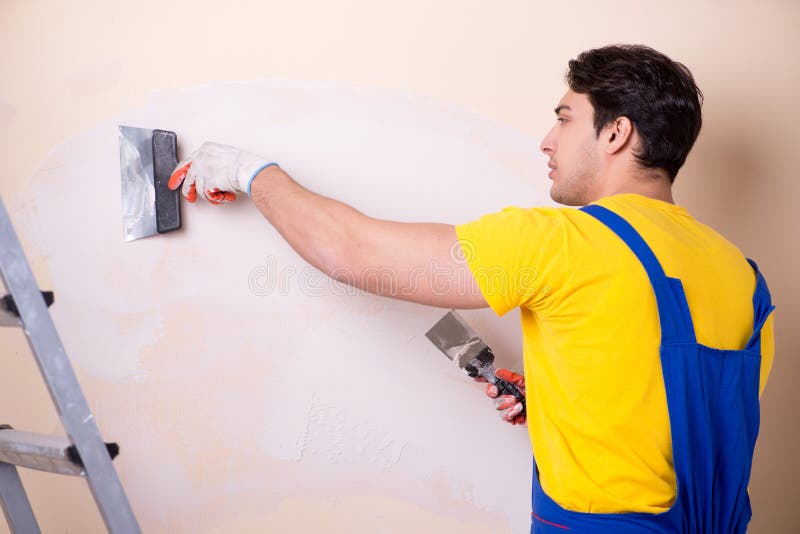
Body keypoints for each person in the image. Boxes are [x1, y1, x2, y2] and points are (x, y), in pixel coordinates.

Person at [168, 44, 775, 533]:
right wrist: (556, 403)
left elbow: (350, 251)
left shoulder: (562, 241)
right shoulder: (742, 277)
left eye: (565, 118)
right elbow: (680, 408)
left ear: (616, 133)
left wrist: (249, 171)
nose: (547, 140)